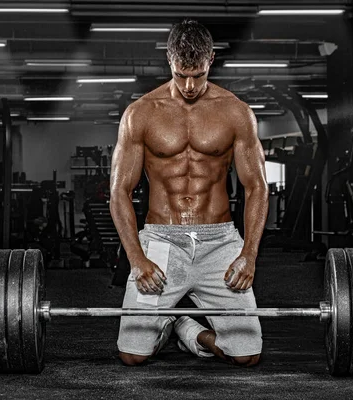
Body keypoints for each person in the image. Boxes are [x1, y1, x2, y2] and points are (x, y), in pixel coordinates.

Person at [109, 19, 269, 367]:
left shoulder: (236, 112)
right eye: (182, 74)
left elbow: (256, 187)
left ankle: (187, 329)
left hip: (219, 245)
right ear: (169, 60)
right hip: (162, 244)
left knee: (247, 354)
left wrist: (249, 254)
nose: (190, 85)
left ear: (211, 59)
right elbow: (119, 191)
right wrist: (137, 258)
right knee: (133, 354)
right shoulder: (141, 114)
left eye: (197, 74)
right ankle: (171, 319)